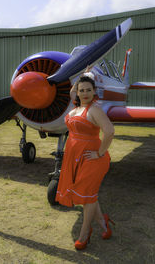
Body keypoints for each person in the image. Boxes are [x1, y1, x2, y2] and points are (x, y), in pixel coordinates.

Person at [55, 74, 115, 250]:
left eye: (89, 90)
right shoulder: (76, 107)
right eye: (82, 90)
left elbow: (109, 131)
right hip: (75, 156)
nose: (85, 93)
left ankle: (84, 233)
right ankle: (104, 224)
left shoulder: (94, 110)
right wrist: (85, 73)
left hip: (92, 157)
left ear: (94, 91)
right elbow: (72, 93)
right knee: (88, 195)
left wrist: (100, 153)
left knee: (87, 195)